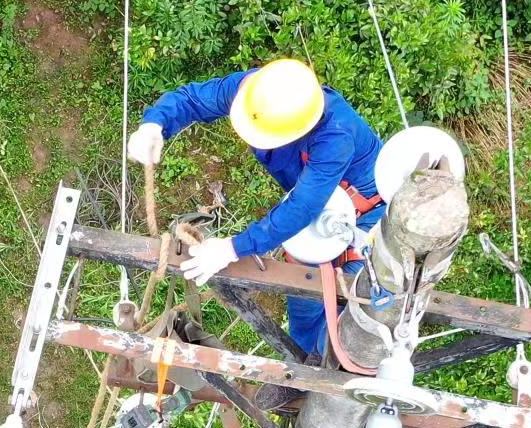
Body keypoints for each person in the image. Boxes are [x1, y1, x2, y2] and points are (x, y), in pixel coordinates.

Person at [125, 57, 386, 359]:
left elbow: (302, 208)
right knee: (303, 300)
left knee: (346, 302)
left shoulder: (334, 136)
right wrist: (155, 124)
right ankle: (306, 361)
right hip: (321, 200)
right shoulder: (257, 93)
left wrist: (233, 248)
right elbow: (193, 99)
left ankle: (335, 369)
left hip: (365, 215)